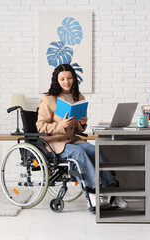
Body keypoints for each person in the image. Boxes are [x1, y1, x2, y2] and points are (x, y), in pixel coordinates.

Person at [36, 64, 127, 209]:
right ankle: (93, 191)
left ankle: (112, 189)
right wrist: (61, 125)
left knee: (95, 150)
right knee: (79, 153)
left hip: (72, 140)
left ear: (74, 78)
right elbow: (40, 126)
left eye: (69, 78)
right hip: (55, 143)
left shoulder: (78, 97)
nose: (67, 82)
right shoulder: (48, 99)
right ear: (56, 80)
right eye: (63, 79)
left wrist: (82, 123)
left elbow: (77, 128)